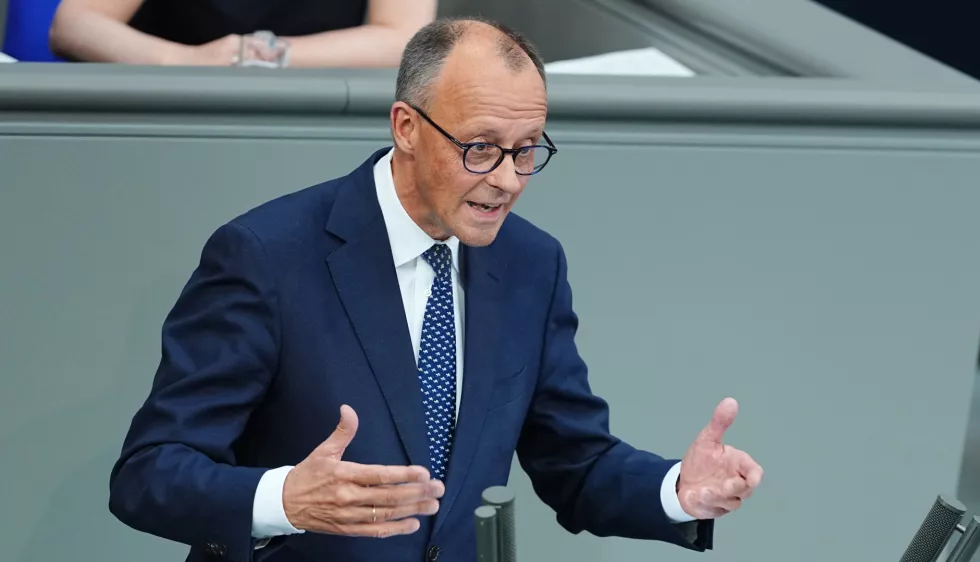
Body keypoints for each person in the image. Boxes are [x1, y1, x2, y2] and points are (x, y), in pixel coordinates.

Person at [107, 17, 764, 562]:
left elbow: (577, 463)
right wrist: (282, 500)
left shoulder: (531, 264)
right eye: (480, 148)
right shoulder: (268, 255)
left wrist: (680, 490)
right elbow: (148, 473)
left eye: (527, 149)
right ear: (406, 128)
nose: (506, 179)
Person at [47, 0, 435, 66]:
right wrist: (185, 61)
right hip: (176, 106)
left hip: (319, 110)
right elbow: (76, 22)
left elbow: (403, 38)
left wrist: (258, 56)